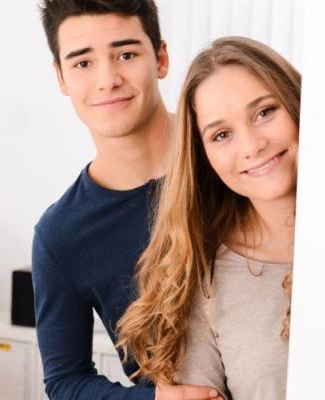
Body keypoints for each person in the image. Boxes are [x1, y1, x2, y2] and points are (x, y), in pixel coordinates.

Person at [33, 1, 221, 399]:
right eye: (83, 63)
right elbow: (65, 381)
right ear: (61, 77)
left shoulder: (230, 158)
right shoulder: (61, 234)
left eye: (126, 54)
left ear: (161, 58)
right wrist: (159, 399)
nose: (107, 80)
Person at [116, 36, 301, 400]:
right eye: (222, 135)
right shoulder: (205, 277)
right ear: (206, 158)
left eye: (265, 112)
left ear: (296, 102)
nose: (251, 146)